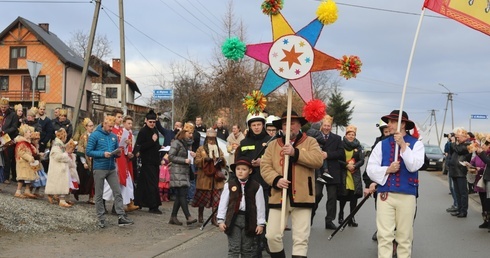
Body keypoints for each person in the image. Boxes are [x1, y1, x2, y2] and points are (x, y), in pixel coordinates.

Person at [260, 110, 323, 258]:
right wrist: (276, 180)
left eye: (292, 123)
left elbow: (318, 160)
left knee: (300, 238)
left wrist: (295, 153)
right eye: (284, 123)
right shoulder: (273, 144)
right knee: (272, 235)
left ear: (299, 125)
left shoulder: (310, 142)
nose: (288, 126)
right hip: (278, 196)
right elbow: (265, 166)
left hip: (302, 196)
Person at [367, 110, 425, 258]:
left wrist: (403, 147)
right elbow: (370, 169)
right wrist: (387, 170)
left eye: (393, 122)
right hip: (385, 194)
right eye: (389, 122)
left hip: (407, 196)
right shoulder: (381, 145)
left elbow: (414, 166)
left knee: (404, 237)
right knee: (384, 236)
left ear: (403, 124)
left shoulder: (416, 144)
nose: (390, 125)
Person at [86, 115, 134, 228]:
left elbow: (117, 150)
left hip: (111, 168)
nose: (111, 129)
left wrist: (117, 154)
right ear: (104, 124)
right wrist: (102, 154)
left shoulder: (113, 136)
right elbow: (88, 151)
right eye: (110, 126)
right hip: (99, 168)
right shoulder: (95, 135)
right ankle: (101, 218)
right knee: (99, 194)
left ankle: (121, 216)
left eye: (113, 126)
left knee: (117, 192)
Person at [217, 156, 266, 257]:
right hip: (233, 220)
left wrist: (260, 223)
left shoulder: (256, 186)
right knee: (234, 249)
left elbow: (260, 206)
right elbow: (223, 203)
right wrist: (220, 220)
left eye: (244, 169)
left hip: (249, 220)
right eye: (238, 169)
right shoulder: (229, 185)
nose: (240, 172)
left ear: (250, 171)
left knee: (247, 249)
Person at [311, 115, 345, 230]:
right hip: (318, 170)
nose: (326, 128)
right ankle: (310, 215)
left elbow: (341, 154)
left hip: (333, 171)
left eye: (328, 126)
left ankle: (329, 220)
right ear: (321, 126)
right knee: (317, 194)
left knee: (332, 197)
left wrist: (328, 155)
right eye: (325, 125)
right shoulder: (315, 137)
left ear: (331, 127)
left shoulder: (337, 138)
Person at [191, 128, 226, 225]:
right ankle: (200, 216)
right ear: (206, 139)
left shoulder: (218, 149)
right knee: (202, 200)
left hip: (216, 180)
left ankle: (214, 219)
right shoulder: (200, 149)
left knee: (216, 201)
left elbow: (223, 161)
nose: (211, 141)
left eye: (213, 139)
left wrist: (220, 160)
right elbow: (197, 162)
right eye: (209, 139)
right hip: (204, 179)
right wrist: (205, 160)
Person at [362, 120, 390, 241]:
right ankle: (380, 230)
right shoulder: (378, 145)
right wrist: (369, 184)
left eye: (390, 131)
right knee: (380, 211)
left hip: (394, 186)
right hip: (379, 186)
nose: (388, 134)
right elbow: (370, 168)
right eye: (386, 131)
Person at [168, 122, 197, 225]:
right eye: (189, 133)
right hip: (177, 171)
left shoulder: (186, 144)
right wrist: (184, 160)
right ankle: (188, 217)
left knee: (181, 195)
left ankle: (173, 217)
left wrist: (192, 155)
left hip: (184, 172)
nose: (191, 135)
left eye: (191, 133)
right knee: (182, 195)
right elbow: (171, 156)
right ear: (184, 132)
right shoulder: (177, 142)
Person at [134, 110, 163, 214]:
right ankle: (153, 205)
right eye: (150, 122)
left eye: (154, 122)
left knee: (146, 183)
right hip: (147, 161)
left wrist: (161, 146)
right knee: (151, 184)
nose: (152, 124)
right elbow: (140, 147)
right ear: (146, 121)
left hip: (155, 161)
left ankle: (139, 202)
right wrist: (152, 141)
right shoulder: (143, 131)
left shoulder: (155, 130)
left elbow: (155, 145)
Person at [337, 125, 364, 227]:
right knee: (343, 195)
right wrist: (346, 165)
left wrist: (355, 166)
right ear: (346, 135)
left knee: (354, 196)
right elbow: (338, 159)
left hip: (354, 174)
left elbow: (361, 160)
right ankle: (341, 214)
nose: (351, 136)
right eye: (349, 134)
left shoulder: (358, 146)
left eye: (353, 135)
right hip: (343, 173)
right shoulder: (340, 145)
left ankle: (351, 217)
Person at [44, 129, 77, 208]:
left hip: (60, 167)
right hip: (59, 167)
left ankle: (54, 195)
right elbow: (57, 156)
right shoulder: (57, 145)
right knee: (62, 182)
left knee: (60, 181)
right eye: (65, 136)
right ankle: (61, 200)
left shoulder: (60, 144)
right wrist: (66, 155)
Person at [447, 128, 472, 218]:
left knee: (463, 192)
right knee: (457, 192)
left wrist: (454, 142)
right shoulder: (458, 144)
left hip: (461, 171)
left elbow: (460, 150)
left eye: (459, 137)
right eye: (457, 137)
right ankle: (459, 208)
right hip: (455, 171)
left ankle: (463, 211)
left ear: (464, 136)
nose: (457, 139)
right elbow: (451, 150)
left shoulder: (468, 144)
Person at [74, 118, 95, 204]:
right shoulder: (83, 136)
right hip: (85, 160)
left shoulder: (94, 136)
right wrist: (83, 162)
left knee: (92, 180)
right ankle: (77, 192)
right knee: (82, 178)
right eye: (89, 126)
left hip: (93, 159)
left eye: (92, 126)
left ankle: (91, 197)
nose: (91, 127)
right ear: (86, 127)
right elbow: (81, 148)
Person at [13, 124, 38, 199]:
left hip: (27, 162)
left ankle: (27, 191)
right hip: (22, 162)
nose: (30, 133)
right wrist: (29, 157)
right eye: (29, 132)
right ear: (25, 133)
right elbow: (21, 153)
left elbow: (32, 150)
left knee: (29, 176)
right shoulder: (22, 143)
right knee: (22, 177)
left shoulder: (27, 142)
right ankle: (18, 191)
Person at [469, 143, 489, 228]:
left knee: (487, 202)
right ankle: (485, 220)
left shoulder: (485, 155)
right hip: (480, 180)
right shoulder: (479, 155)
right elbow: (472, 162)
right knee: (483, 203)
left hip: (486, 179)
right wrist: (470, 166)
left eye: (485, 145)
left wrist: (481, 169)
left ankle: (488, 221)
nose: (482, 146)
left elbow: (488, 164)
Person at [1, 98, 19, 184]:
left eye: (4, 107)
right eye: (1, 107)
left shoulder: (13, 115)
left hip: (7, 139)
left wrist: (4, 131)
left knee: (7, 158)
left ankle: (6, 177)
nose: (3, 108)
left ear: (8, 106)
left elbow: (14, 127)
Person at [475, 135, 490, 232]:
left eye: (486, 144)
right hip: (487, 178)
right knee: (486, 201)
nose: (484, 145)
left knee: (488, 201)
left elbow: (488, 162)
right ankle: (487, 221)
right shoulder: (486, 153)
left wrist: (482, 154)